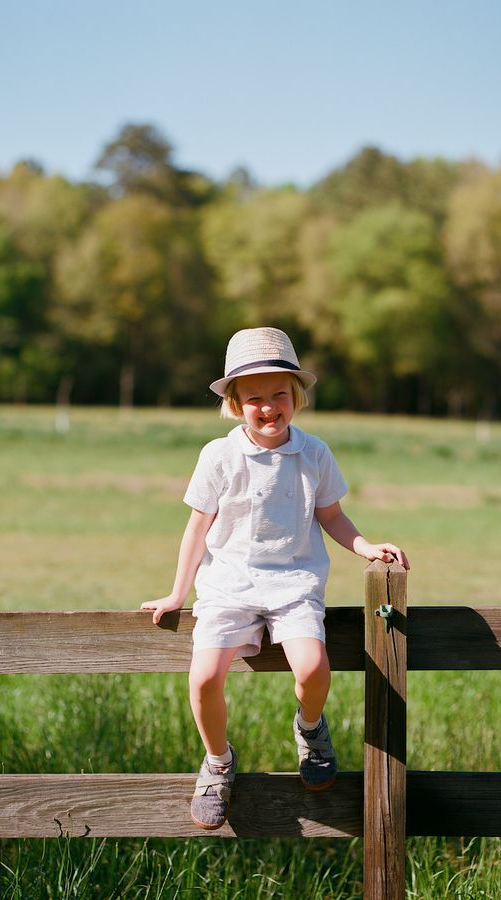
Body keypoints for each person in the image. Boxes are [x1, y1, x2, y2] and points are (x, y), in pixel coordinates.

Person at [141, 327, 410, 830]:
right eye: (255, 399)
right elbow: (197, 527)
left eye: (279, 395)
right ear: (236, 405)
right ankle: (218, 762)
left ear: (297, 397)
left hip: (293, 583)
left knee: (311, 668)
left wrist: (367, 547)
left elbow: (331, 516)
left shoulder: (314, 454)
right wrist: (179, 592)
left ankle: (309, 729)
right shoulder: (218, 457)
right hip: (228, 584)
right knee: (203, 677)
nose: (268, 408)